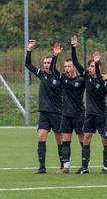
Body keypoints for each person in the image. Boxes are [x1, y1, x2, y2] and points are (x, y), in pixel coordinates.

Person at [70, 36, 107, 174]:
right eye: (90, 66)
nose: (90, 68)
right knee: (86, 139)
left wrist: (97, 64)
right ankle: (85, 167)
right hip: (90, 114)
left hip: (102, 115)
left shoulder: (103, 81)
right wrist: (73, 47)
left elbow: (98, 75)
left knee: (105, 140)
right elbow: (75, 62)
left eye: (93, 66)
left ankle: (106, 166)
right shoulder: (86, 77)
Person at [25, 40, 63, 174]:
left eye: (49, 63)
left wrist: (55, 55)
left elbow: (54, 68)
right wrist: (29, 49)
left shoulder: (59, 76)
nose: (47, 65)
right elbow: (27, 64)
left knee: (60, 139)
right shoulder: (42, 74)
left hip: (57, 112)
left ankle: (63, 165)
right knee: (41, 136)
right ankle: (42, 167)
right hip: (44, 113)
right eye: (45, 63)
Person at [50, 39, 85, 174]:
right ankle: (66, 167)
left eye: (69, 66)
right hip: (66, 114)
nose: (67, 68)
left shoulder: (81, 80)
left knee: (83, 140)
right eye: (65, 67)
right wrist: (55, 55)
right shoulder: (63, 78)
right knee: (65, 140)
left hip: (79, 114)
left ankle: (85, 165)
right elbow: (53, 69)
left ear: (74, 67)